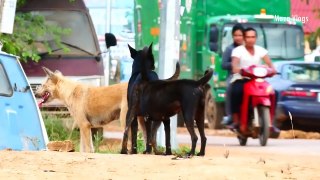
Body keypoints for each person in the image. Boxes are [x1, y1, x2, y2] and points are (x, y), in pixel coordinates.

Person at [228, 27, 276, 134]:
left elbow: (270, 64)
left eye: (253, 37)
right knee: (236, 92)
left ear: (256, 38)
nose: (250, 39)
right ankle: (236, 121)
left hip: (257, 80)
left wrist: (273, 70)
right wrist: (238, 69)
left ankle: (271, 122)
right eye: (248, 37)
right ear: (244, 38)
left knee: (273, 92)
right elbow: (234, 65)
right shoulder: (237, 50)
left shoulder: (261, 50)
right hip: (242, 79)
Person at [221, 23, 244, 125]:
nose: (238, 38)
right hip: (233, 76)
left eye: (240, 35)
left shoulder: (247, 48)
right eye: (236, 35)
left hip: (248, 75)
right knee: (230, 89)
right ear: (233, 36)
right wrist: (235, 65)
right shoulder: (230, 49)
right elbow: (224, 64)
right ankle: (230, 115)